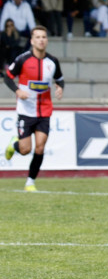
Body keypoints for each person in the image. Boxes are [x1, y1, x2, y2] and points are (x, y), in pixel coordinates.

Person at [3, 26, 64, 192]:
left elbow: (60, 78)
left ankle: (30, 182)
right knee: (25, 149)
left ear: (47, 40)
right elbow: (7, 78)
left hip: (44, 110)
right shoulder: (23, 60)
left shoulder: (53, 62)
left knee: (40, 147)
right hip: (26, 111)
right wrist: (17, 91)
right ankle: (14, 145)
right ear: (32, 41)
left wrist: (60, 87)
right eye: (37, 37)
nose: (41, 40)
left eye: (44, 37)